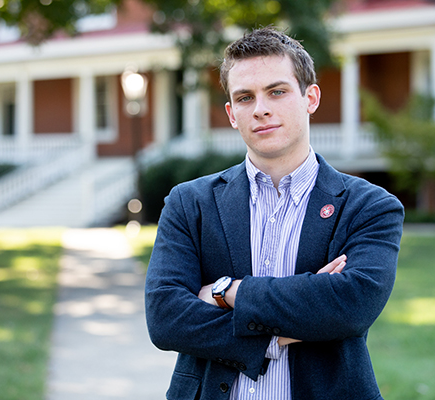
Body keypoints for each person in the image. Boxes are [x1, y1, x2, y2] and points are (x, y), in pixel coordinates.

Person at [145, 27, 404, 400]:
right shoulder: (189, 203)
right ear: (232, 114)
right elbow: (166, 318)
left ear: (310, 97)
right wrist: (289, 323)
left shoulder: (369, 206)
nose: (261, 108)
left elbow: (350, 305)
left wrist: (223, 291)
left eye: (277, 91)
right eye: (245, 97)